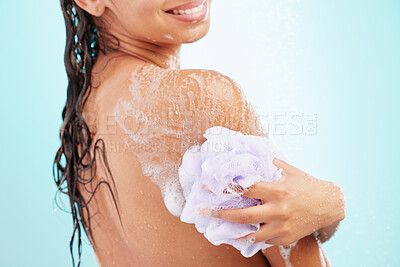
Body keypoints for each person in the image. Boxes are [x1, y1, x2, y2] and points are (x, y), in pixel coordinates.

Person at [53, 0, 345, 266]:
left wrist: (324, 206)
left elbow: (287, 217)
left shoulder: (83, 118)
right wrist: (333, 200)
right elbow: (297, 251)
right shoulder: (199, 98)